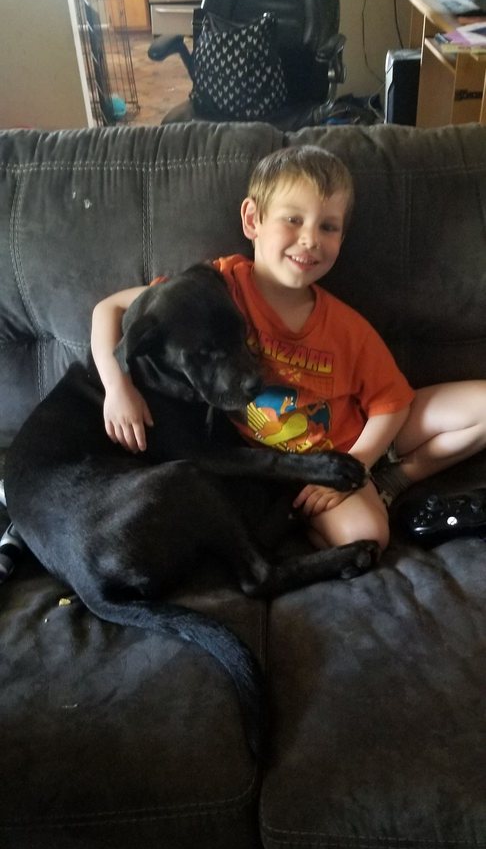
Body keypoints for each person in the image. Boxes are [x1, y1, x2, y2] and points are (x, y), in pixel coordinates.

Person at [91, 145, 486, 552]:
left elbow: (392, 404)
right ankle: (334, 506)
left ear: (342, 238)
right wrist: (117, 386)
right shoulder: (215, 286)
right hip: (304, 465)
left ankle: (394, 481)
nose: (310, 239)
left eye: (328, 227)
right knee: (368, 538)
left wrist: (360, 464)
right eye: (293, 219)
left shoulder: (347, 327)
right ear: (252, 219)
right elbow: (110, 308)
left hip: (369, 439)